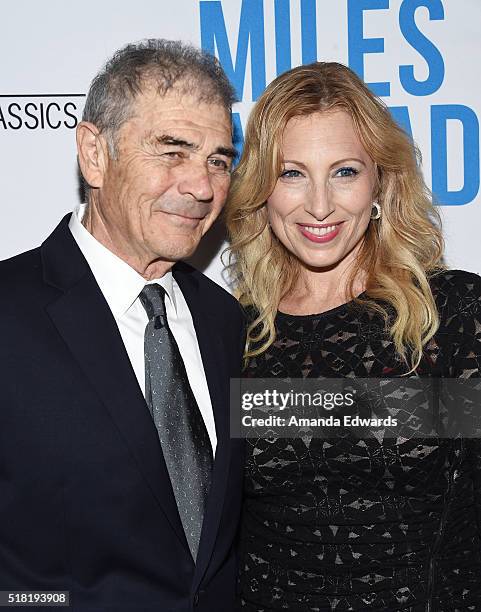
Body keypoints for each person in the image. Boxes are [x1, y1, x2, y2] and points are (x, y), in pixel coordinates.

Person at [0, 39, 246, 611]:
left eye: (218, 159)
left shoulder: (224, 319)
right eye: (172, 150)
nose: (202, 186)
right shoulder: (7, 312)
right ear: (94, 153)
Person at [226, 61, 481, 611]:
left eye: (344, 171)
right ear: (261, 189)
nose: (319, 205)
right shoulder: (230, 333)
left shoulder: (455, 316)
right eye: (292, 173)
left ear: (380, 182)